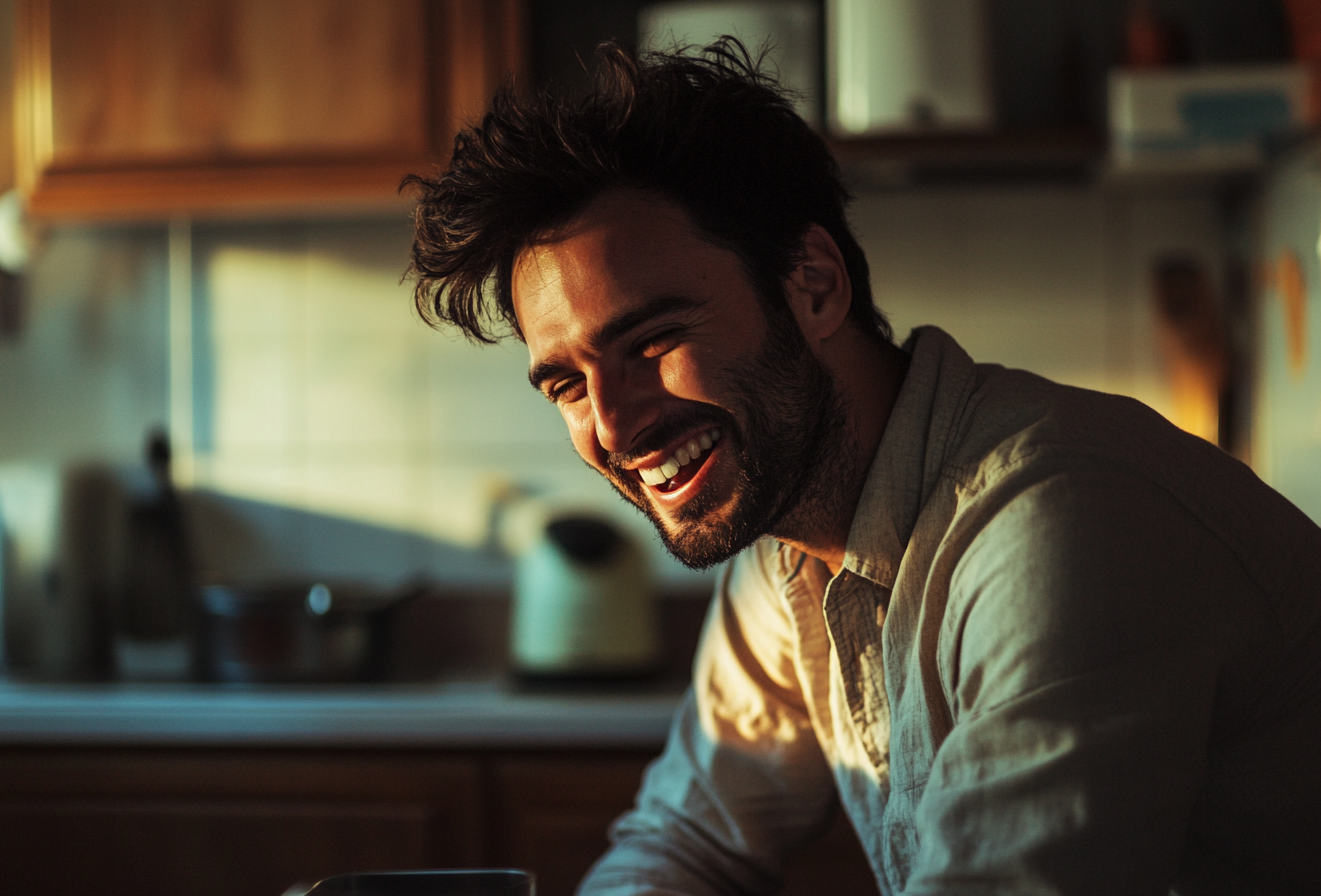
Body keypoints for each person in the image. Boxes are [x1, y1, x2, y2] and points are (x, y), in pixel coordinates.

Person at [402, 40, 1321, 896]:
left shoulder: (1057, 526)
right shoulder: (785, 538)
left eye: (651, 340)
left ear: (814, 285)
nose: (613, 426)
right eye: (566, 384)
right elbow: (688, 839)